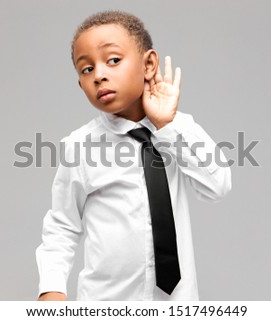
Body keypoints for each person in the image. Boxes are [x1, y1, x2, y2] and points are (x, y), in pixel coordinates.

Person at [36, 10, 232, 301]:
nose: (99, 75)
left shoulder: (178, 129)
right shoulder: (79, 146)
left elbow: (217, 186)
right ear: (80, 84)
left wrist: (168, 125)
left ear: (149, 64)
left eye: (113, 60)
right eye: (86, 69)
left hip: (175, 305)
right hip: (104, 303)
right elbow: (63, 224)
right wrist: (51, 289)